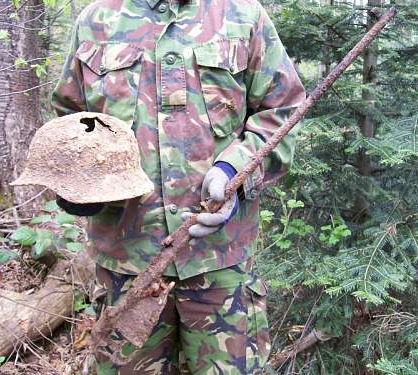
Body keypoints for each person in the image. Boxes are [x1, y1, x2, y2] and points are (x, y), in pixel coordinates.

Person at [51, 0, 305, 373]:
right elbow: (69, 122)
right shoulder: (97, 20)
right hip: (127, 265)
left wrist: (233, 172)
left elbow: (283, 110)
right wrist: (79, 185)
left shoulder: (243, 15)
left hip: (220, 267)